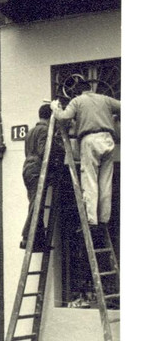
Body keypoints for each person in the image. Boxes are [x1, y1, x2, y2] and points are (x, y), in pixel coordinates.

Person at [51, 80, 120, 243]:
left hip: (90, 140)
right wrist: (114, 118)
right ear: (90, 89)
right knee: (105, 182)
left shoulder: (77, 101)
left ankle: (92, 222)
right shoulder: (105, 99)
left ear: (77, 92)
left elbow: (63, 117)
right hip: (108, 140)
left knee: (90, 180)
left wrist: (55, 108)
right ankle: (104, 219)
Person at [20, 104, 65, 252]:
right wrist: (60, 148)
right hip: (37, 169)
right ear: (51, 116)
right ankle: (27, 237)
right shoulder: (45, 130)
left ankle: (38, 240)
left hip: (27, 168)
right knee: (36, 205)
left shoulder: (31, 131)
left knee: (35, 204)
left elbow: (30, 151)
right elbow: (44, 151)